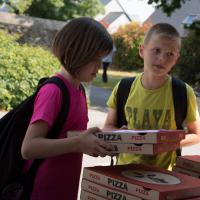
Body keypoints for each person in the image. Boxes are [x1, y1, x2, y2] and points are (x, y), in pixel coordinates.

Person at [21, 17, 114, 200]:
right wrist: (78, 143)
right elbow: (29, 147)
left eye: (101, 59)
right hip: (41, 192)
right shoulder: (53, 91)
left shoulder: (78, 90)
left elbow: (65, 135)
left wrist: (105, 139)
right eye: (94, 59)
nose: (99, 66)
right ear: (74, 52)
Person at [103, 23, 200, 170]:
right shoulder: (124, 88)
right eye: (156, 50)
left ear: (176, 59)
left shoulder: (183, 92)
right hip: (124, 171)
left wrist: (168, 143)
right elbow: (108, 127)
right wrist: (121, 135)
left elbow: (196, 134)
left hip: (165, 176)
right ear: (142, 50)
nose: (162, 59)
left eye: (170, 54)